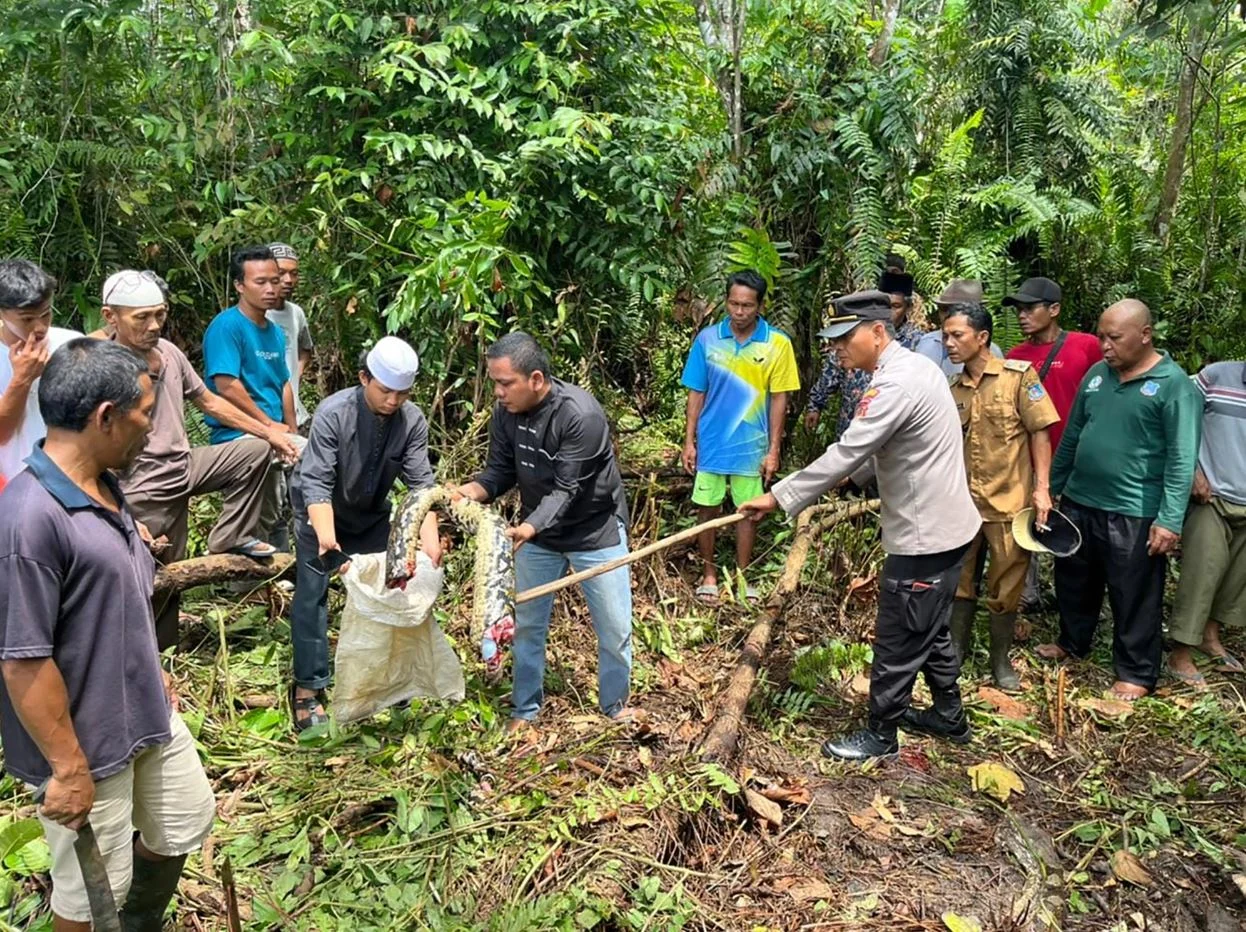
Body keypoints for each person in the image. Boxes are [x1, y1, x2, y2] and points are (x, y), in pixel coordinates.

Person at [0, 339, 215, 931]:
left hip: (145, 712)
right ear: (105, 417)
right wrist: (67, 770)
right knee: (91, 893)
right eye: (145, 412)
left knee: (183, 821)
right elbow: (23, 660)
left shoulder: (107, 487)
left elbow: (115, 603)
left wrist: (154, 669)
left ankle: (141, 924)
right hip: (87, 743)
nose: (152, 425)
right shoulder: (29, 519)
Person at [739, 291, 981, 761]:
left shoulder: (895, 383)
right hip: (946, 528)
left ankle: (881, 733)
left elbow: (849, 450)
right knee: (928, 627)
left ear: (876, 332)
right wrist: (854, 480)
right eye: (832, 342)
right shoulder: (913, 369)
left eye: (845, 338)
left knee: (898, 632)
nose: (837, 350)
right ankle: (949, 716)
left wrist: (779, 496)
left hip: (925, 535)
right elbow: (893, 445)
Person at [98, 270, 301, 650]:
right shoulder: (103, 364)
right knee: (160, 575)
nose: (154, 325)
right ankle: (154, 657)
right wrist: (114, 503)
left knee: (254, 450)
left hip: (185, 464)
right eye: (141, 317)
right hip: (143, 481)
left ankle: (231, 535)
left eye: (159, 314)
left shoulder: (171, 353)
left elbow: (208, 401)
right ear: (111, 317)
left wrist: (270, 432)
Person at [455, 333, 639, 733]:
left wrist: (528, 526)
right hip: (537, 535)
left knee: (614, 627)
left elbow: (567, 489)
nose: (498, 392)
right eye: (495, 383)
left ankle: (616, 706)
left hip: (595, 531)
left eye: (506, 384)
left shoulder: (581, 416)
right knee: (527, 626)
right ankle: (524, 710)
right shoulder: (505, 413)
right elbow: (499, 472)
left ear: (536, 379)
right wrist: (469, 492)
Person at [1037, 300, 1201, 700]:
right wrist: (1053, 486)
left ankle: (1136, 673)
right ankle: (1072, 642)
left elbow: (1183, 457)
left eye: (1114, 338)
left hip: (1134, 509)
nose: (1105, 346)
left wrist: (1170, 520)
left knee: (1134, 594)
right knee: (1075, 580)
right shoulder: (1097, 375)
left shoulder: (1173, 385)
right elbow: (1073, 433)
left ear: (1145, 335)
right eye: (1101, 336)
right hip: (1079, 500)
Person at [286, 337, 440, 730]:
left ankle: (388, 680)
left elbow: (421, 485)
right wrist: (325, 537)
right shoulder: (333, 413)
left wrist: (431, 540)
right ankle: (308, 687)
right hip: (321, 514)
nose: (393, 401)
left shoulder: (412, 421)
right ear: (364, 378)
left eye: (402, 394)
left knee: (391, 590)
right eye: (385, 391)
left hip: (372, 517)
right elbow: (316, 482)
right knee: (311, 596)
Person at [943, 303, 1059, 690]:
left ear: (982, 337)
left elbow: (1040, 431)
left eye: (957, 335)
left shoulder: (1018, 378)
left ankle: (999, 661)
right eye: (946, 335)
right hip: (962, 505)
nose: (949, 343)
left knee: (1007, 584)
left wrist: (1042, 489)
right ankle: (955, 654)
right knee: (960, 580)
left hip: (1009, 502)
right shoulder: (953, 388)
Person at [681, 270, 800, 603]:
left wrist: (774, 449)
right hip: (712, 442)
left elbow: (780, 399)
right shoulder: (707, 339)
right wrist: (689, 441)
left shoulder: (777, 344)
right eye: (733, 303)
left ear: (760, 305)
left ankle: (742, 577)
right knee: (707, 508)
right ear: (726, 301)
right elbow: (696, 393)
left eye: (747, 305)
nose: (739, 311)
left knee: (747, 511)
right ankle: (709, 575)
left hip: (751, 445)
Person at [1003, 276, 1103, 611]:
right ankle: (1027, 597)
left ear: (1054, 309)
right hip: (1030, 459)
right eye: (1019, 309)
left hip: (1077, 459)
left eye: (1030, 308)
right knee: (1028, 522)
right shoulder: (1015, 355)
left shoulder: (1085, 346)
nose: (1022, 315)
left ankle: (1077, 603)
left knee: (1076, 528)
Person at [202, 245, 303, 550]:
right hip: (240, 434)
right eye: (261, 282)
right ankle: (243, 582)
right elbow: (226, 384)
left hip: (273, 431)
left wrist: (291, 429)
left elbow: (283, 382)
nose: (271, 288)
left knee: (309, 471)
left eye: (275, 280)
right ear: (239, 285)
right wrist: (268, 427)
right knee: (261, 507)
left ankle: (294, 568)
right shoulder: (227, 326)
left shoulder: (273, 331)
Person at [1166, 360, 1246, 687]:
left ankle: (1209, 636)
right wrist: (1193, 470)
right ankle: (1180, 651)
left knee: (1236, 578)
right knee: (1203, 570)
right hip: (1210, 495)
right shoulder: (1215, 377)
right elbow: (1179, 420)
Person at [804, 269, 923, 439]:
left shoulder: (917, 342)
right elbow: (832, 370)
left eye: (896, 307)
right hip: (850, 427)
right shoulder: (855, 334)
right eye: (885, 306)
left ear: (908, 308)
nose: (888, 313)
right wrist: (815, 405)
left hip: (889, 434)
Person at [0, 259, 82, 482]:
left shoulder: (72, 345)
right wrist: (22, 379)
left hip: (71, 479)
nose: (40, 327)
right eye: (26, 319)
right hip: (12, 484)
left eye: (46, 314)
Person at [266, 243, 315, 430]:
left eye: (294, 273)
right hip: (267, 419)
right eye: (281, 272)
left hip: (297, 415)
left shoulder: (296, 313)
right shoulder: (256, 316)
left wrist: (296, 374)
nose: (288, 280)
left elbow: (305, 348)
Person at [914, 279, 1002, 376]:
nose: (947, 316)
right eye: (943, 309)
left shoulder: (992, 350)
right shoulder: (927, 343)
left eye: (957, 310)